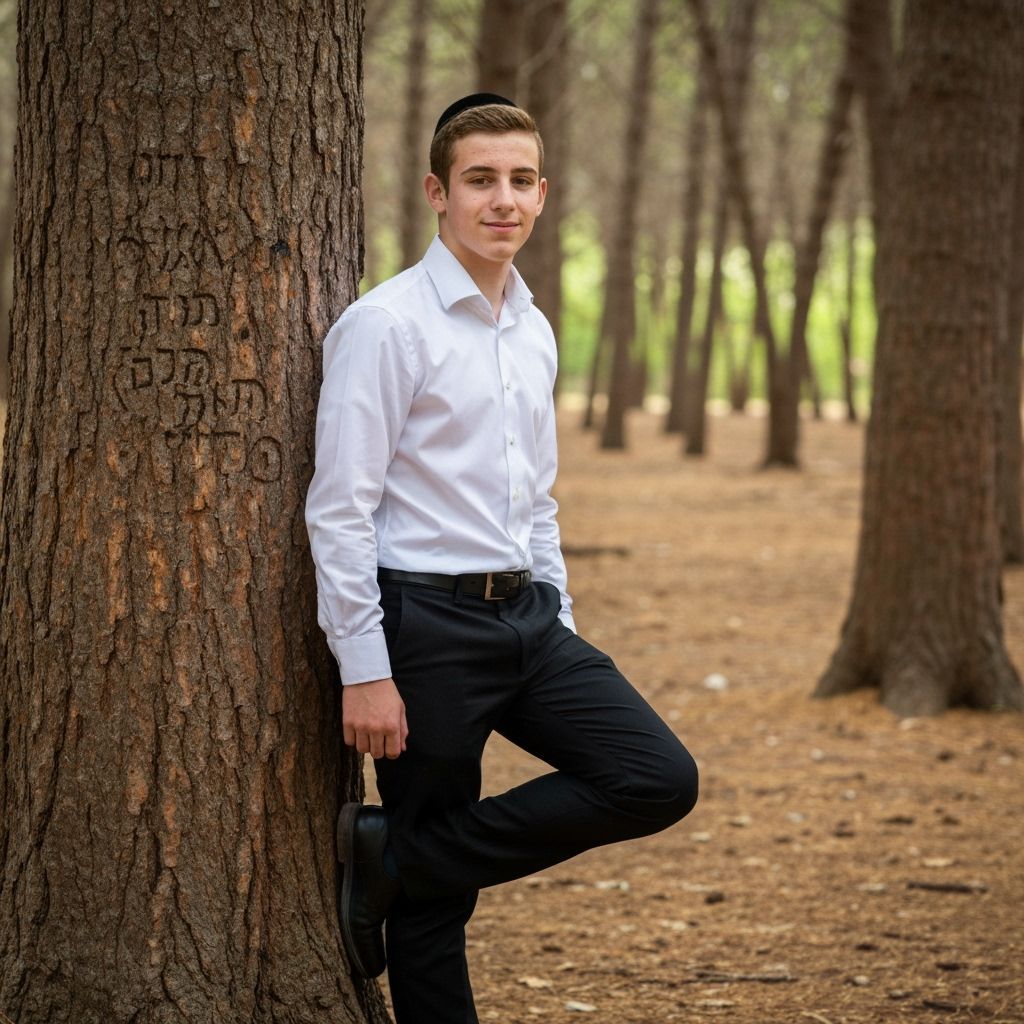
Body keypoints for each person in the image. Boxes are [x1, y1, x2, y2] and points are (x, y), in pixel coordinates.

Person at [305, 92, 698, 1023]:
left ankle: (394, 860)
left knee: (655, 777)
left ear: (544, 192)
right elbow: (341, 510)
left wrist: (554, 614)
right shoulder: (387, 325)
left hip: (527, 619)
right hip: (424, 626)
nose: (503, 200)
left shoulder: (533, 328)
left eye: (521, 180)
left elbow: (539, 497)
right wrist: (365, 670)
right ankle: (415, 870)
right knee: (439, 919)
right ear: (439, 193)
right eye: (481, 180)